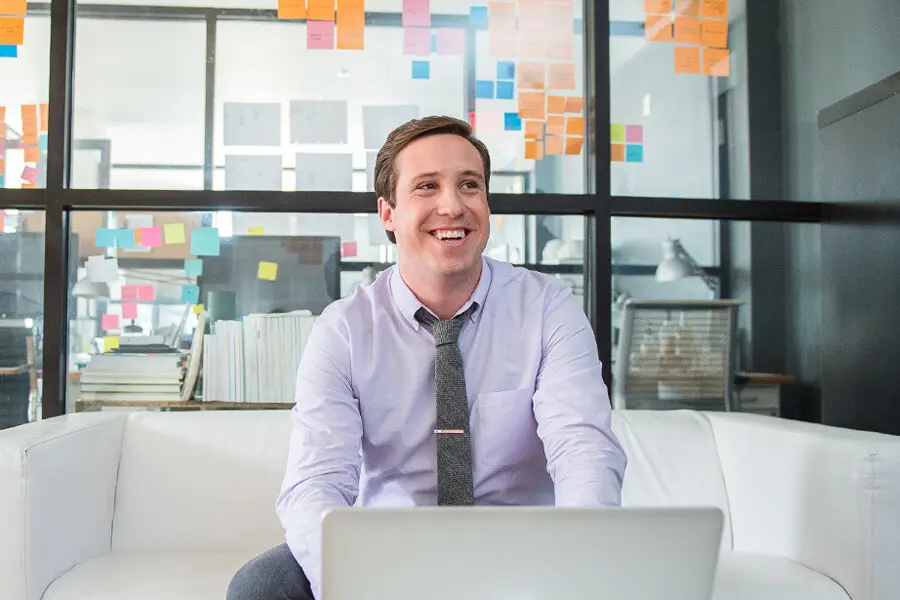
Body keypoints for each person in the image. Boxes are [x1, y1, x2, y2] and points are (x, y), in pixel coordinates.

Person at [227, 116, 627, 600]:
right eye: (426, 187)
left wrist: (582, 563)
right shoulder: (344, 330)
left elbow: (582, 448)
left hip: (519, 539)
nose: (452, 205)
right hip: (389, 543)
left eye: (469, 185)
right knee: (262, 586)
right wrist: (357, 584)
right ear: (388, 214)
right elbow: (316, 483)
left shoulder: (547, 307)